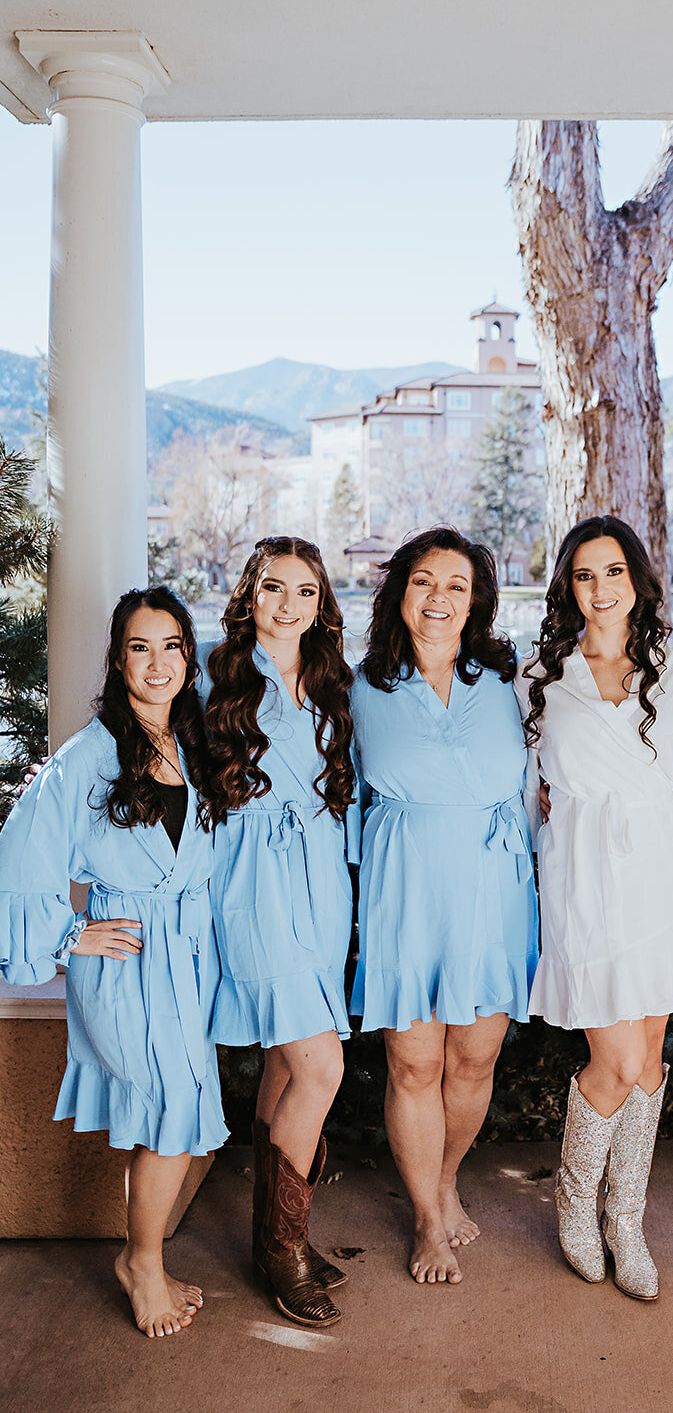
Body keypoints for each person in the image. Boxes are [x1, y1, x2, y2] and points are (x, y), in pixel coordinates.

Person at [0, 587, 226, 1338]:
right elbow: (20, 856)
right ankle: (145, 1265)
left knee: (167, 1110)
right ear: (118, 658)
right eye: (139, 647)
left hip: (189, 959)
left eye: (170, 646)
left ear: (187, 657)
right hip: (126, 958)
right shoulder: (87, 757)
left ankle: (141, 1255)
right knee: (166, 1111)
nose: (156, 663)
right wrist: (69, 934)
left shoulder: (195, 741)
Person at [517, 517, 673, 1302]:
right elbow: (521, 787)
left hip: (662, 871)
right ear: (567, 586)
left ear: (637, 580)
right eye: (583, 576)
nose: (599, 590)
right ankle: (574, 1207)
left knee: (650, 1062)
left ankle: (625, 1219)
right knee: (616, 1061)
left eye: (612, 573)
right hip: (580, 873)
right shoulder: (538, 674)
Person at [351, 527, 538, 1286]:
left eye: (455, 585)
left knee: (472, 1058)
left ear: (476, 602)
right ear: (400, 591)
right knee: (413, 1062)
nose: (438, 597)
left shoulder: (507, 682)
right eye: (424, 581)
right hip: (405, 889)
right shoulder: (357, 686)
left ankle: (447, 1175)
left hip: (492, 889)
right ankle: (427, 1219)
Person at [204, 536, 355, 1329]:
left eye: (304, 590)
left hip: (320, 883)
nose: (287, 603)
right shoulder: (216, 672)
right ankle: (285, 1249)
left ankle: (273, 1231)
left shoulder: (332, 680)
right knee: (320, 1066)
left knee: (284, 1063)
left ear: (322, 603)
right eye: (272, 587)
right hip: (253, 886)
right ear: (249, 594)